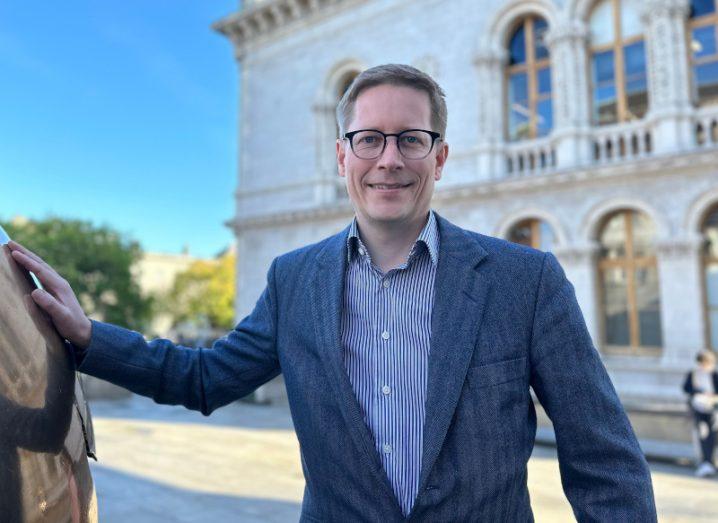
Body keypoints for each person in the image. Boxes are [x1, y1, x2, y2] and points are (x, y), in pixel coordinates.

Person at [8, 64, 657, 521]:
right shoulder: (295, 279)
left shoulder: (526, 279)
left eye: (411, 138)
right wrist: (90, 336)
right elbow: (203, 377)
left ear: (440, 156)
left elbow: (603, 456)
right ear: (342, 156)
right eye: (369, 139)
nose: (390, 158)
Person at [683, 349, 718, 478]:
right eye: (702, 363)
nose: (704, 366)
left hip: (713, 410)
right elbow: (686, 388)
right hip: (699, 409)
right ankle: (706, 463)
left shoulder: (714, 374)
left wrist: (712, 396)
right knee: (703, 435)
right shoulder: (693, 374)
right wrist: (698, 391)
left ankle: (711, 462)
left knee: (713, 435)